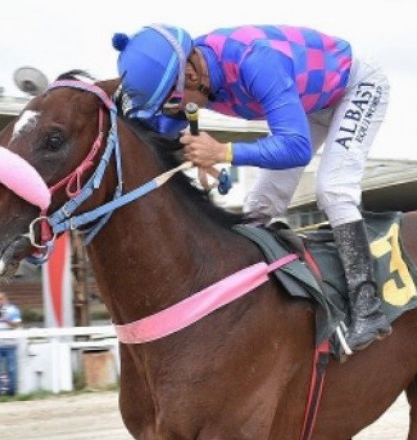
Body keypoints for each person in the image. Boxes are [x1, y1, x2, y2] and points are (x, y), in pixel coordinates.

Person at [113, 24, 392, 352]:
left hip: (354, 87)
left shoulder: (254, 61)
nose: (171, 113)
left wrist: (224, 152)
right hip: (308, 102)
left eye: (171, 104)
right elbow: (161, 133)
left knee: (333, 188)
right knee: (261, 202)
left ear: (189, 76)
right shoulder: (188, 72)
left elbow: (296, 147)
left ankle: (367, 307)